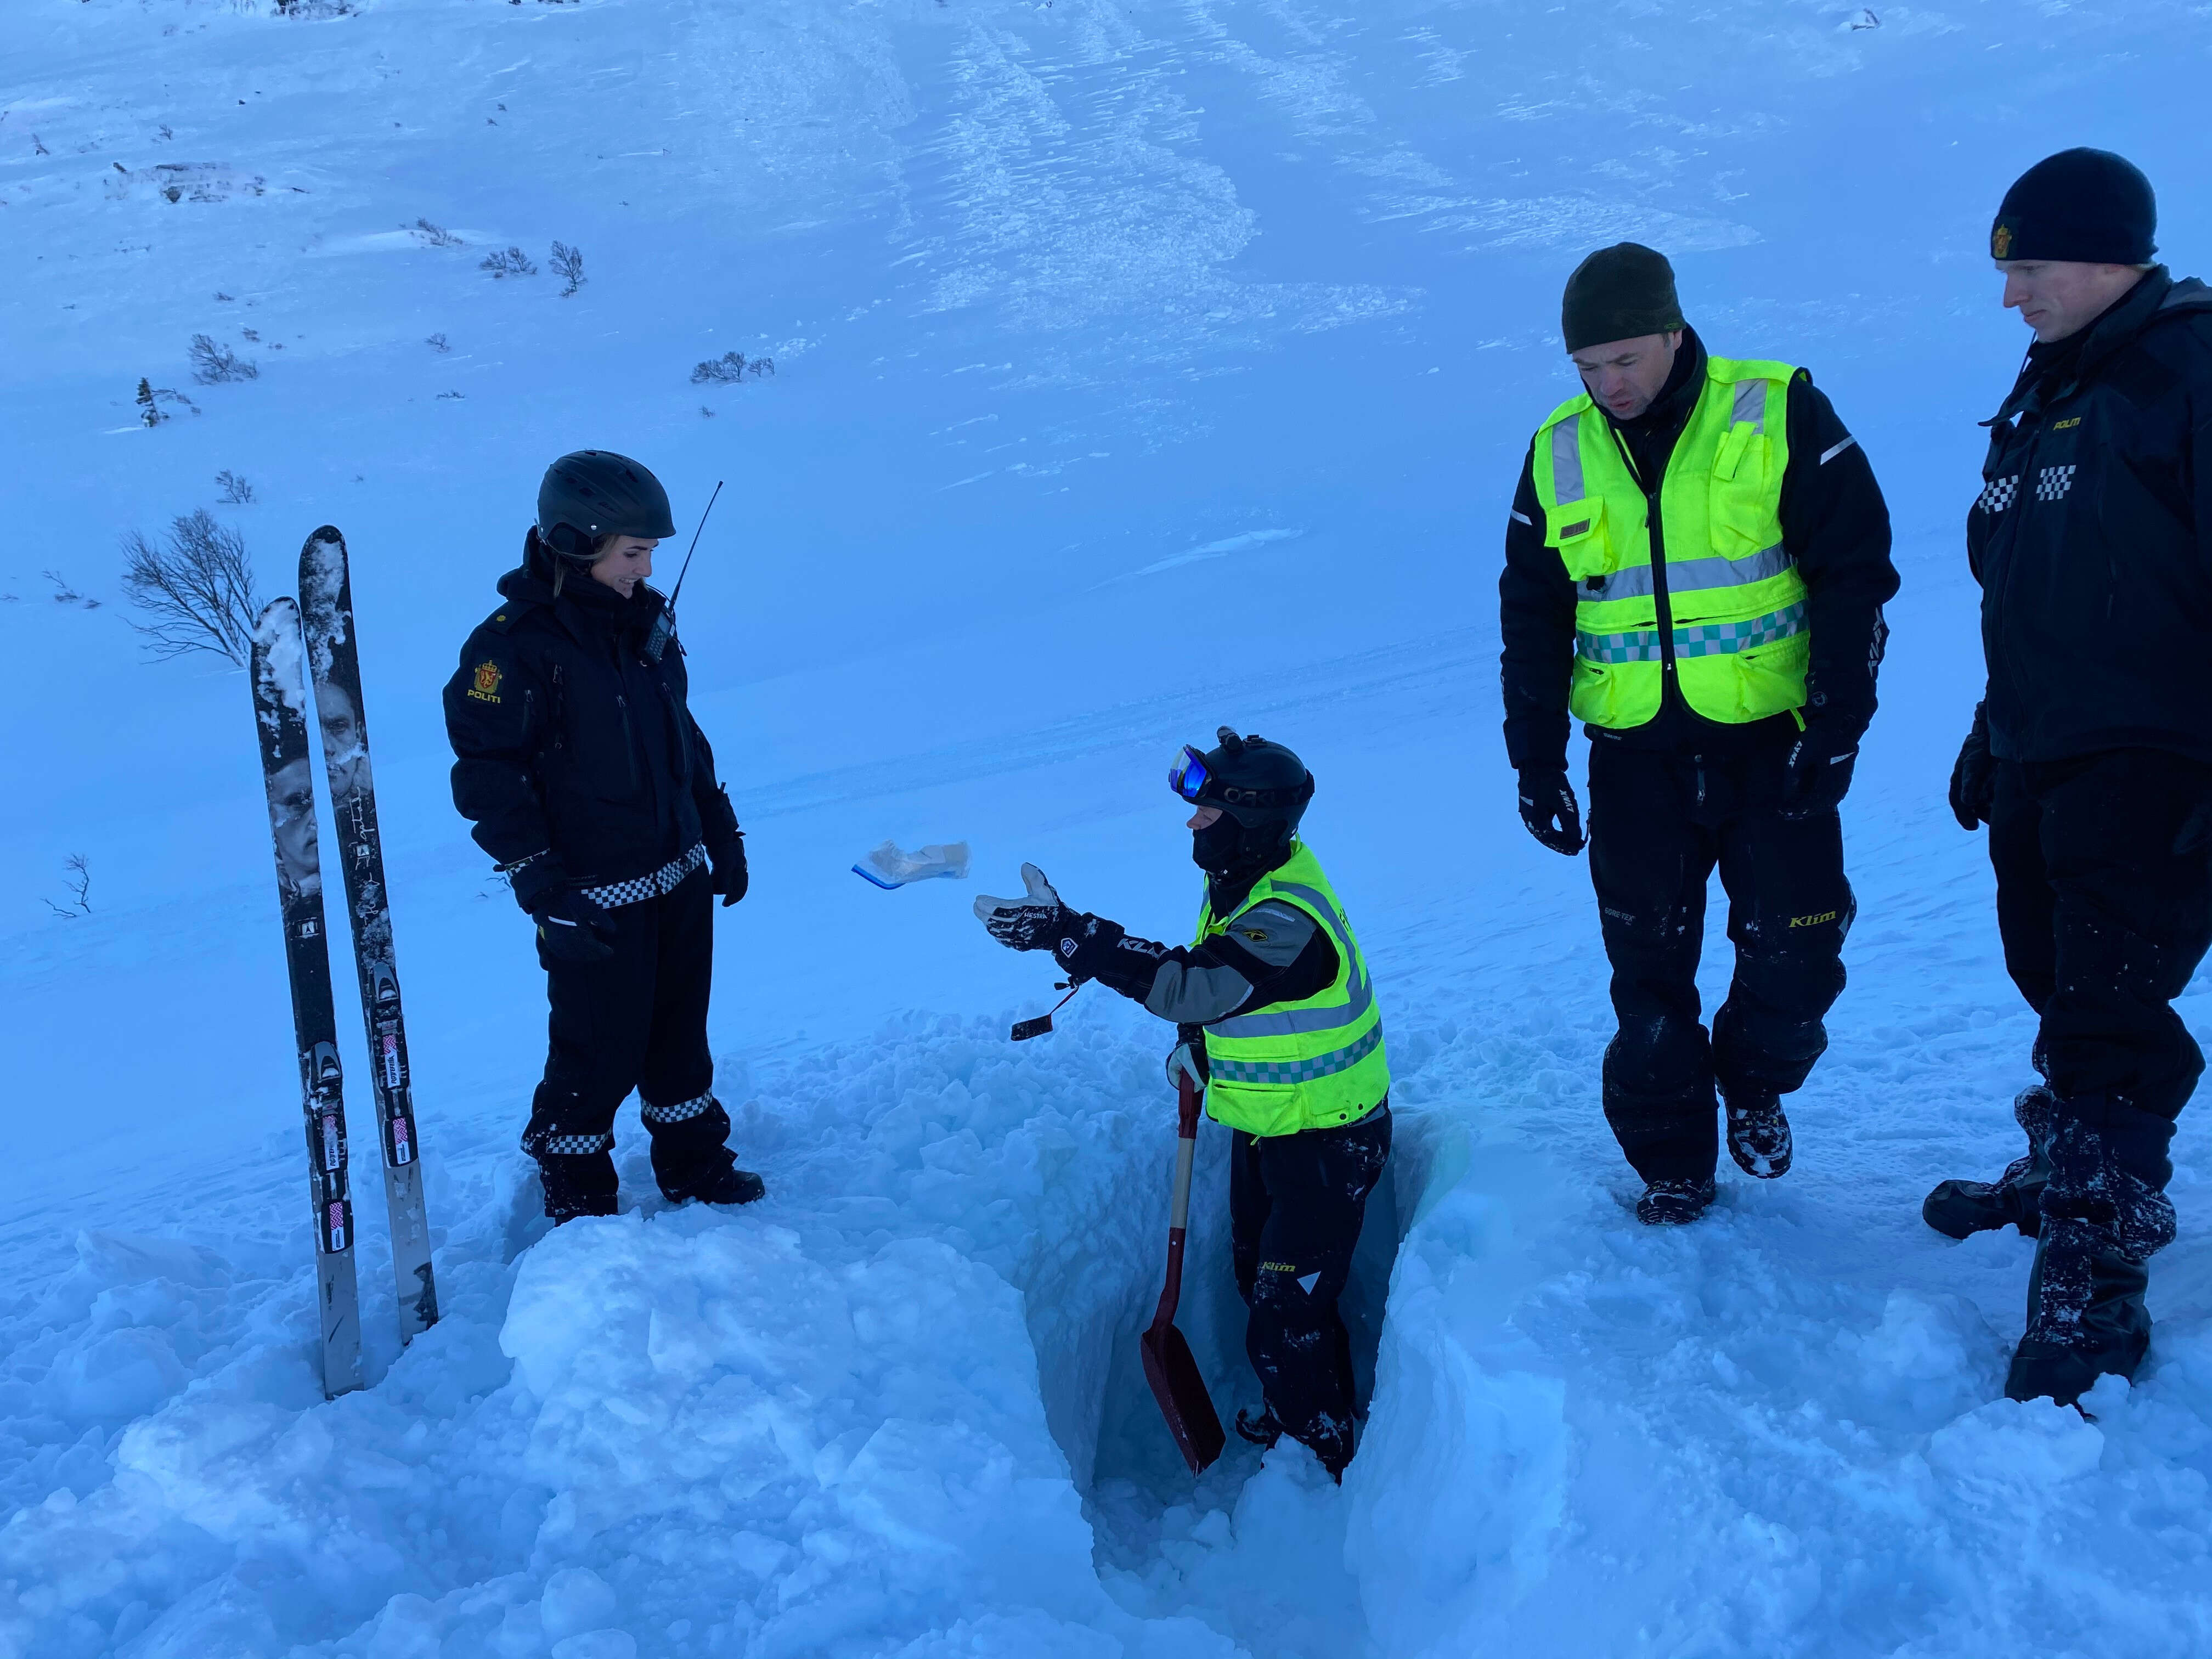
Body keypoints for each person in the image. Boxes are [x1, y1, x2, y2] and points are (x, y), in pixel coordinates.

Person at [1499, 242, 1899, 1225]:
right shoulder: (1557, 449)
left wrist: (1838, 725)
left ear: (1675, 333)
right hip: (1634, 764)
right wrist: (1536, 760)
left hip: (1773, 749)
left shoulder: (1777, 409)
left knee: (1797, 958)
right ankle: (1673, 1159)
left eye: (1625, 358)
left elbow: (1854, 574)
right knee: (1647, 978)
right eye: (1587, 367)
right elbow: (1533, 618)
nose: (1609, 384)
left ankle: (1755, 1077)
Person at [1927, 149, 2211, 1406]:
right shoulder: (2050, 387)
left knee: (2111, 1008)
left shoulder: (2187, 371)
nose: (2012, 295)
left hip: (2158, 757)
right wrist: (1993, 728)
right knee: (2048, 970)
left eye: (2031, 268)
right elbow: (2027, 587)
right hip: (2042, 750)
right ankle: (2072, 1162)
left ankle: (2097, 1269)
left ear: (2110, 256)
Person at [974, 730, 1390, 1477]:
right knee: (1256, 1279)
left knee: (1288, 1308)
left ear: (1252, 822)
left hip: (1329, 1142)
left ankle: (1319, 1453)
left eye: (1207, 813)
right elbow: (1226, 990)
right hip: (1272, 1127)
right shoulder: (1242, 881)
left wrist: (1074, 937)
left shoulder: (1288, 917)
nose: (1191, 824)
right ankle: (1298, 1411)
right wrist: (1200, 1044)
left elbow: (1195, 985)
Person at [443, 450, 763, 1223]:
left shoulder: (646, 622)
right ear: (574, 542)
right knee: (597, 1048)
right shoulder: (512, 647)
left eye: (650, 553)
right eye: (632, 554)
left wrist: (718, 831)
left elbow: (681, 735)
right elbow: (488, 773)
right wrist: (539, 882)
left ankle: (694, 1163)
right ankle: (578, 1192)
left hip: (677, 873)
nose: (646, 570)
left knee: (680, 1037)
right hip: (590, 895)